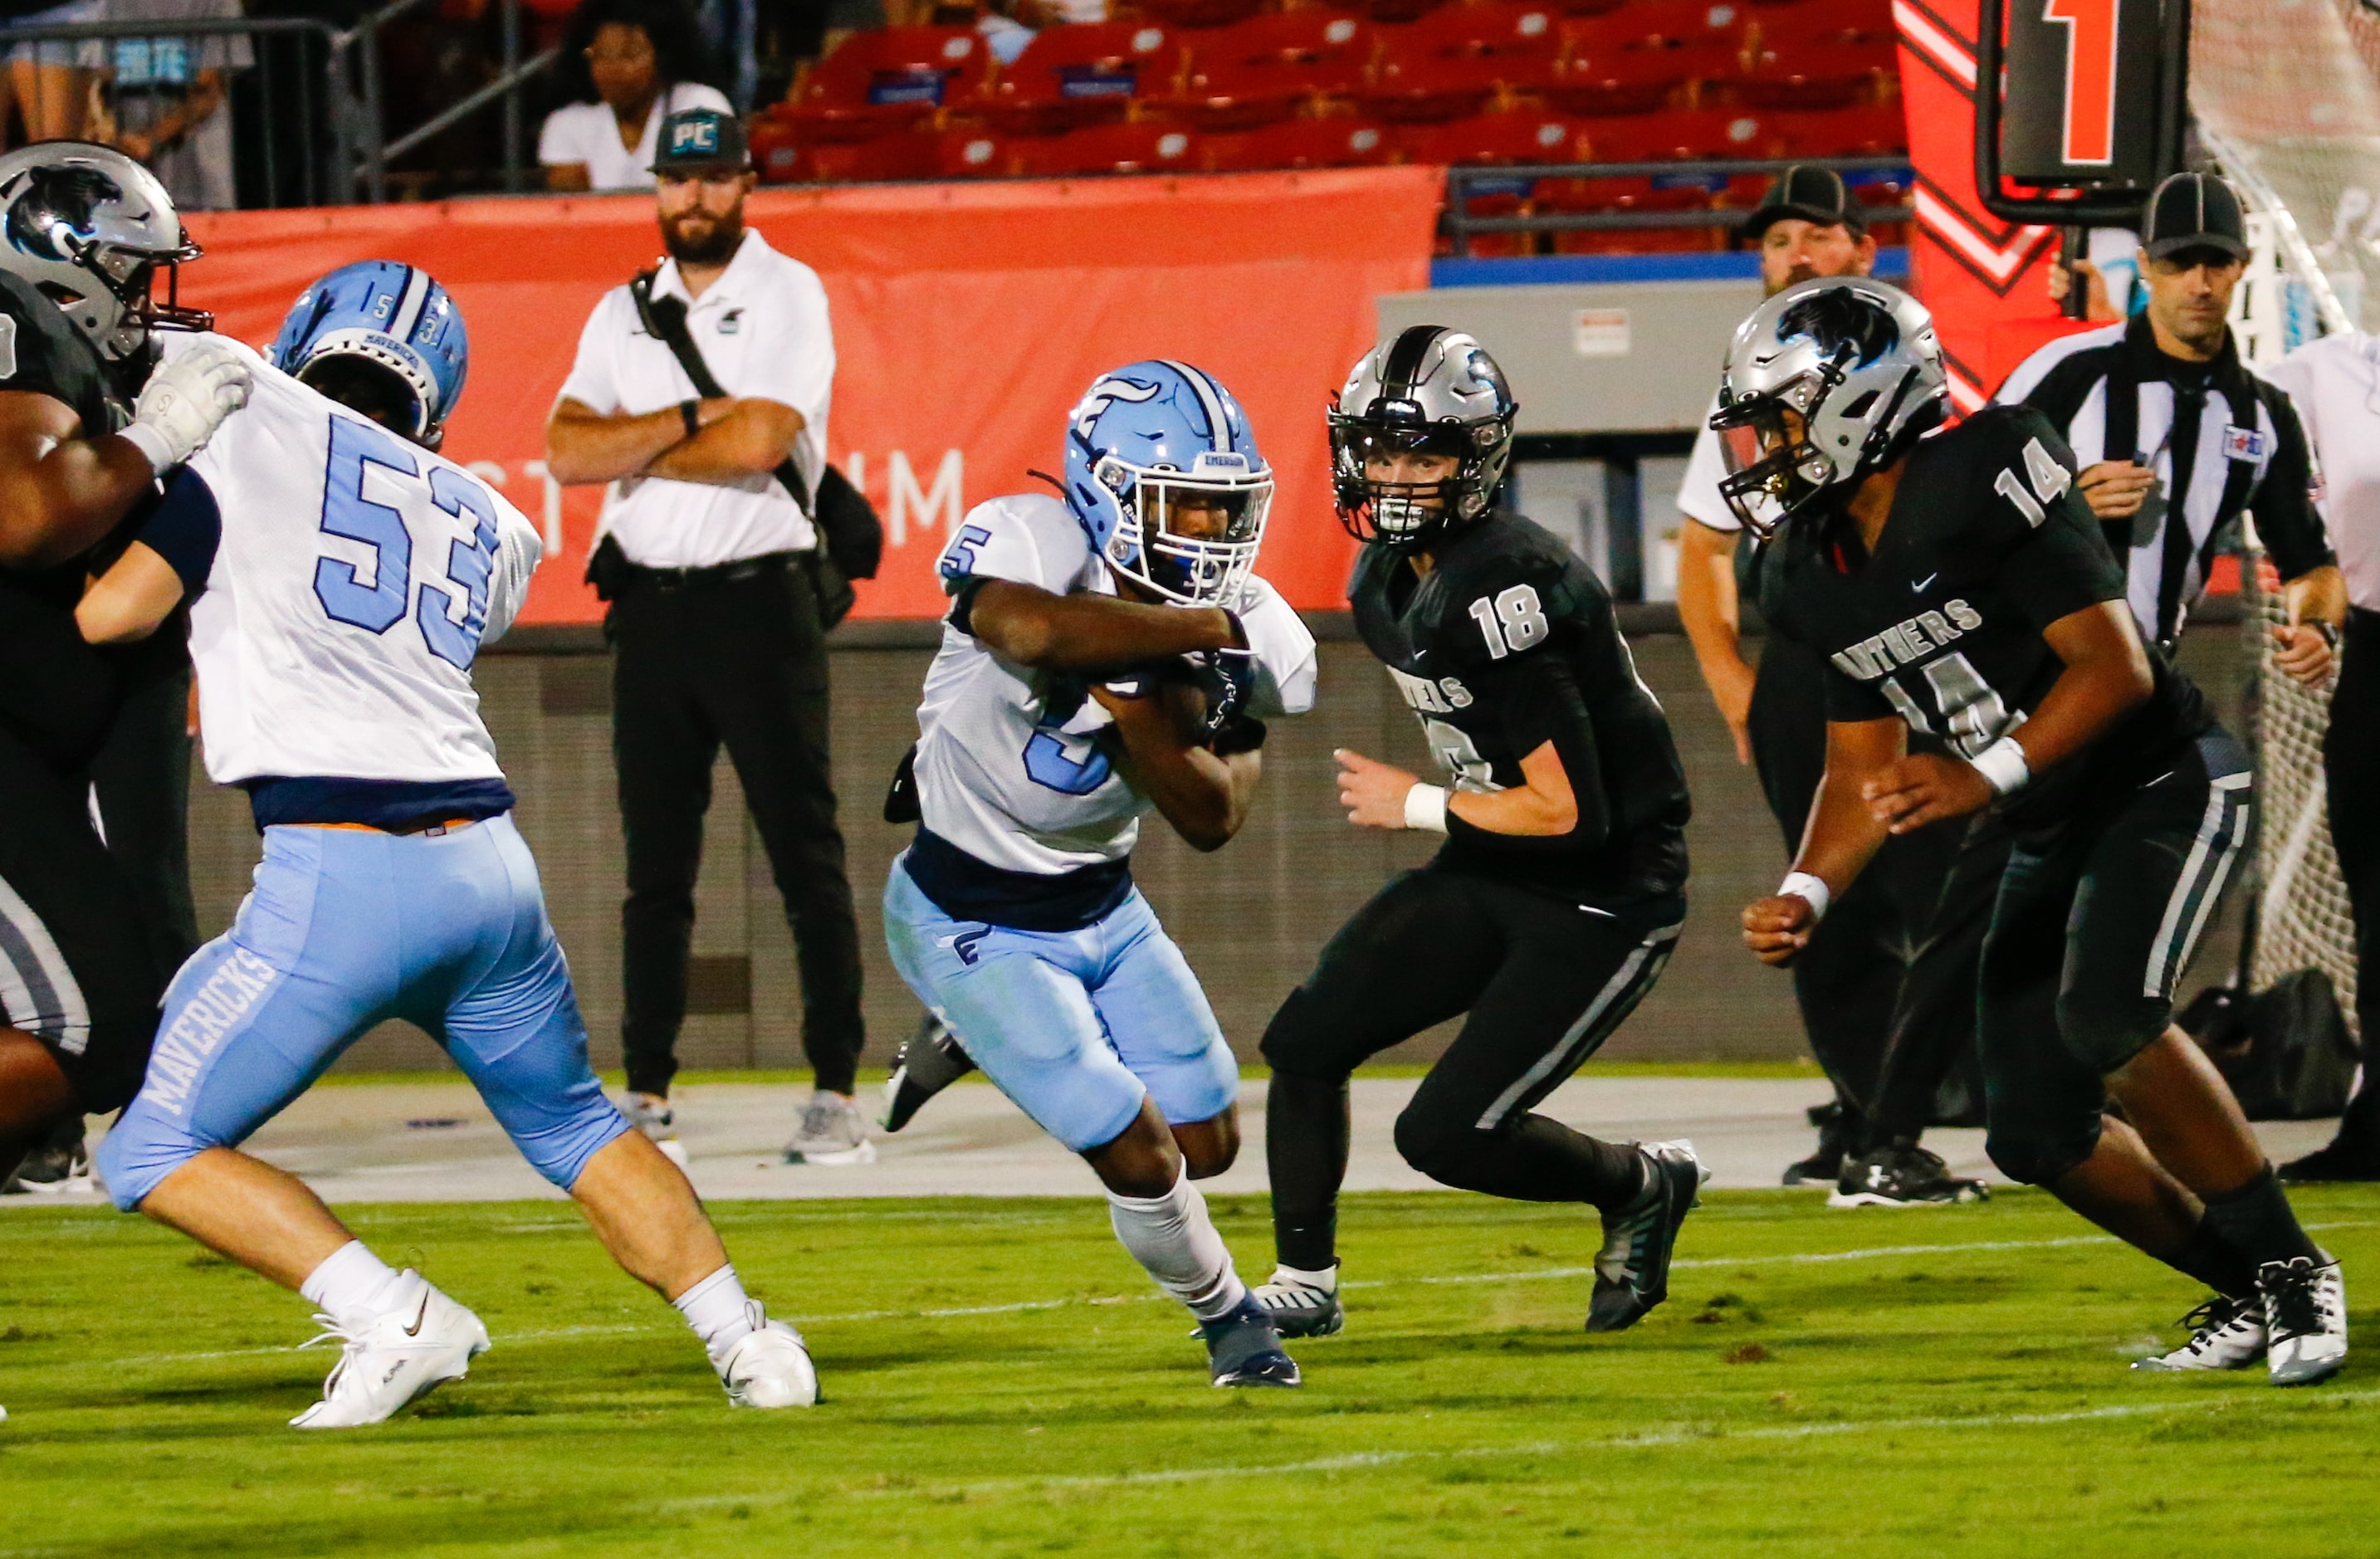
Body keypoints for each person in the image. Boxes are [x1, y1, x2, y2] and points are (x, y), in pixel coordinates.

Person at [93, 261, 819, 1429]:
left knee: (147, 1145)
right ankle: (751, 1342)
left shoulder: (241, 432)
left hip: (343, 865)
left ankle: (394, 1314)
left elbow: (114, 613)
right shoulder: (494, 520)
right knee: (577, 1120)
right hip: (487, 867)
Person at [1728, 275, 2347, 1386]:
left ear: (1859, 403)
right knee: (2029, 1129)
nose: (1760, 447)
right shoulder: (1798, 567)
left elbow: (2111, 667)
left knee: (2108, 1012)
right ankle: (2243, 1286)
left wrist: (1981, 772)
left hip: (2159, 776)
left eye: (1778, 417)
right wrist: (1807, 892)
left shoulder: (1981, 467)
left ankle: (2296, 1268)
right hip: (2044, 816)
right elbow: (1859, 763)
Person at [1848, 173, 2353, 1178]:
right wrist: (2070, 500)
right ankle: (1880, 1143)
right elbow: (1950, 500)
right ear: (2145, 271)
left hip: (2142, 705)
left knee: (2102, 930)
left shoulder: (2258, 415)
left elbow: (2310, 564)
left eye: (2215, 263)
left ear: (2239, 270)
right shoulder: (2070, 374)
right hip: (2032, 689)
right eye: (2177, 264)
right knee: (1976, 918)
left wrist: (2312, 627)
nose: (2197, 283)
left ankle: (2056, 1127)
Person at [1249, 327, 1703, 1343]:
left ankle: (1641, 1182)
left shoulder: (1504, 582)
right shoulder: (1384, 577)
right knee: (1305, 1041)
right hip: (1494, 858)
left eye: (1425, 455)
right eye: (1382, 451)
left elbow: (1566, 811)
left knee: (1448, 1134)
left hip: (1602, 889)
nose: (1397, 476)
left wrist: (1414, 804)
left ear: (1479, 458)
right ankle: (1302, 1283)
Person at [881, 359, 1317, 1388]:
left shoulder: (1256, 623)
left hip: (1104, 908)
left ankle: (972, 1039)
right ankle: (1229, 1322)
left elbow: (1213, 816)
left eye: (1222, 512)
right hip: (965, 911)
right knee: (1139, 1157)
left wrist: (1147, 708)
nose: (1209, 539)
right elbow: (1034, 629)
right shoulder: (1036, 539)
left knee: (1207, 1144)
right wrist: (1200, 637)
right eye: (1185, 508)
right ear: (1105, 490)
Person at [546, 108, 869, 1167]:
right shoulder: (618, 307)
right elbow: (563, 450)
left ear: (747, 181)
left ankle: (833, 1090)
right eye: (676, 178)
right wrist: (692, 425)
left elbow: (767, 437)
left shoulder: (789, 291)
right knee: (656, 869)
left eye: (712, 176)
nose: (692, 196)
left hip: (757, 601)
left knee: (803, 854)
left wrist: (633, 447)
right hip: (648, 607)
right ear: (656, 187)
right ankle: (644, 1093)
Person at [1674, 166, 1981, 1204]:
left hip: (1932, 650)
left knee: (1968, 879)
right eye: (1774, 241)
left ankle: (2000, 1090)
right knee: (1828, 902)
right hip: (1813, 657)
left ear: (1865, 250)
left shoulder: (1927, 370)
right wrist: (1733, 687)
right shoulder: (1745, 389)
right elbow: (1703, 548)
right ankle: (1868, 1121)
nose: (1793, 256)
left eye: (1815, 235)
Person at [0, 144, 248, 1199]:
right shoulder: (15, 317)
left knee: (100, 1010)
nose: (149, 303)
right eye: (133, 274)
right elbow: (23, 517)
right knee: (96, 1016)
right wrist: (156, 438)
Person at [2262, 327, 2380, 1181]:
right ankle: (2378, 1123)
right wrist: (2316, 613)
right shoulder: (2325, 367)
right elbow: (2270, 481)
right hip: (2377, 654)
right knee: (2376, 905)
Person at [539, 0, 731, 193]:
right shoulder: (567, 123)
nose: (613, 68)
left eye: (629, 55)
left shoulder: (700, 106)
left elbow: (716, 190)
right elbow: (572, 210)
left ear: (662, 58)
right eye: (601, 55)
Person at [97, 0, 252, 213]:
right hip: (122, 182)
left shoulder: (219, 3)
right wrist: (107, 131)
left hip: (198, 181)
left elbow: (208, 89)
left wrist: (149, 141)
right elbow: (89, 78)